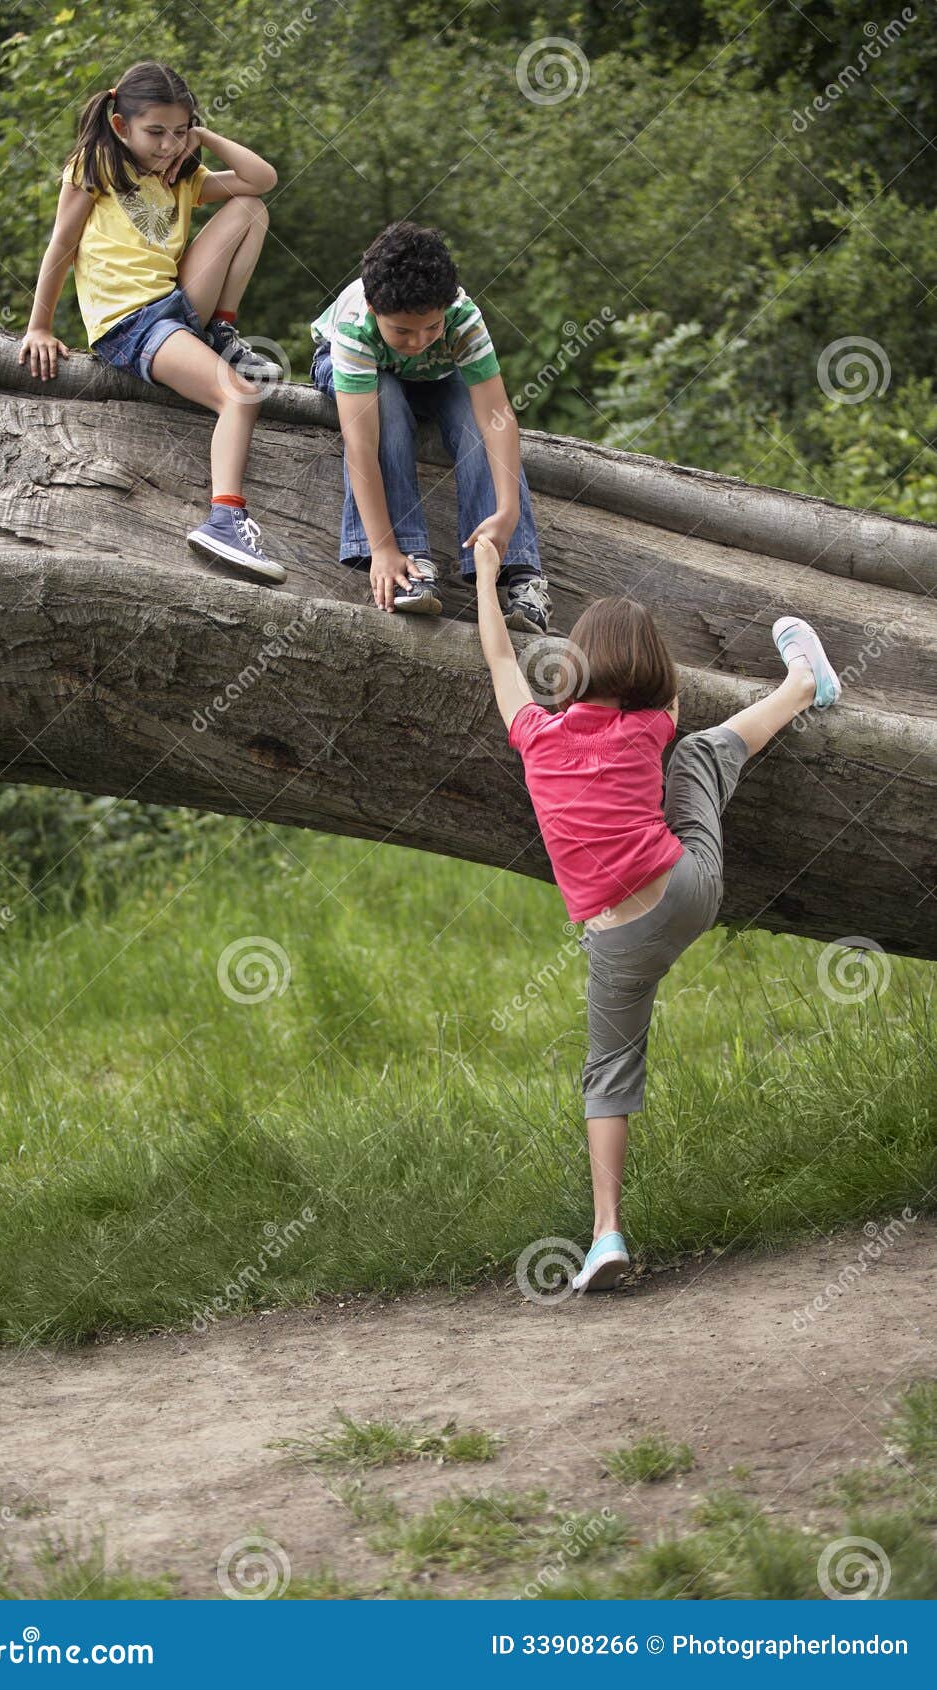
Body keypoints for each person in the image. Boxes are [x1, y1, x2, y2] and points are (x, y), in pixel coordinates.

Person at [472, 534, 843, 1294]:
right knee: (702, 755)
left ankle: (605, 1235)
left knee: (605, 1075)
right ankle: (805, 682)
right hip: (685, 891)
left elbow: (501, 662)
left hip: (613, 939)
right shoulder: (649, 727)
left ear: (571, 667)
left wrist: (484, 576)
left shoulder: (535, 737)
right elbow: (664, 697)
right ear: (646, 672)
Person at [18, 59, 286, 583]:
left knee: (250, 208)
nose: (167, 144)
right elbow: (61, 246)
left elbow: (262, 179)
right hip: (132, 324)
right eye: (155, 132)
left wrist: (201, 136)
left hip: (179, 304)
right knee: (238, 395)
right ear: (122, 126)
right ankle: (225, 519)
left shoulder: (184, 174)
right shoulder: (97, 165)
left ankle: (224, 334)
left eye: (178, 131)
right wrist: (39, 327)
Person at [310, 221, 551, 634]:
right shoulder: (355, 327)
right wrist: (382, 547)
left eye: (431, 328)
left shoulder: (462, 316)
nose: (418, 340)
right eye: (402, 330)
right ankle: (408, 559)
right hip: (364, 374)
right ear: (373, 309)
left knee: (473, 419)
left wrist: (508, 511)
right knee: (388, 407)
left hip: (434, 377)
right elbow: (361, 446)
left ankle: (518, 572)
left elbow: (498, 415)